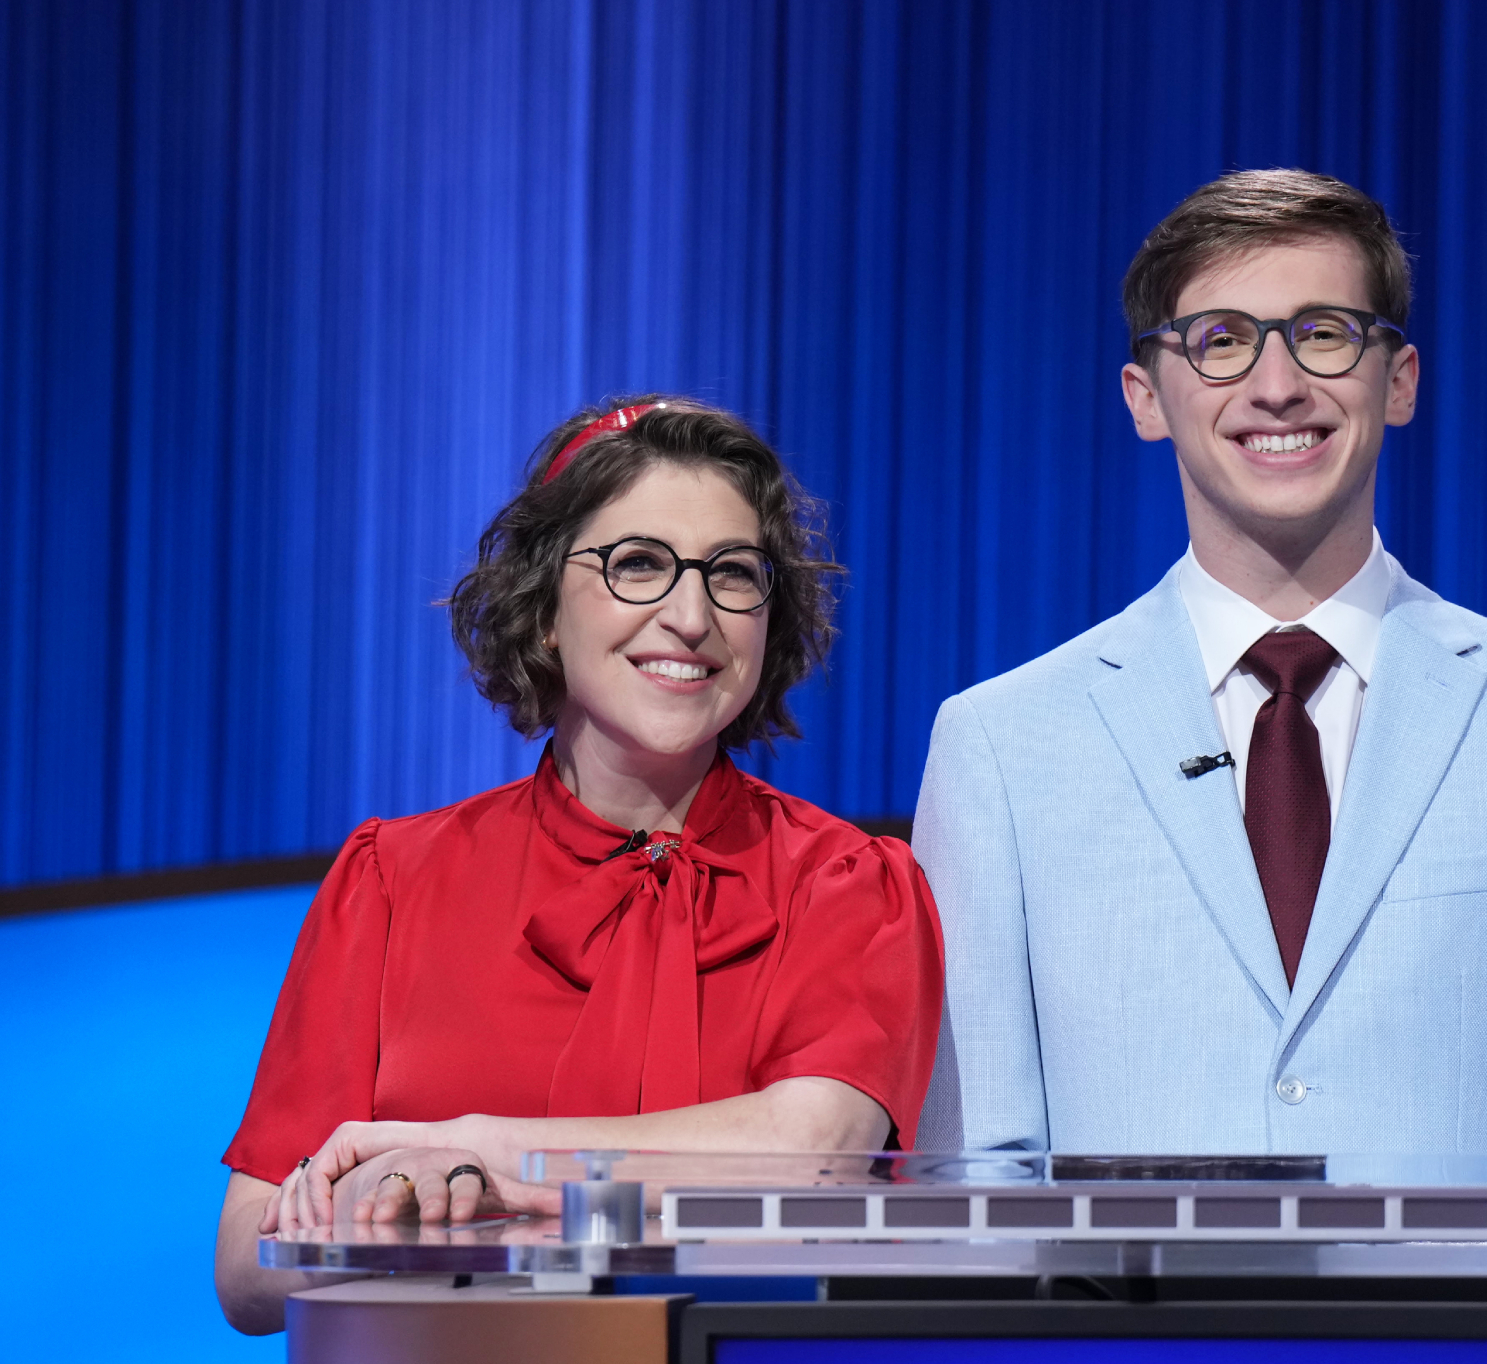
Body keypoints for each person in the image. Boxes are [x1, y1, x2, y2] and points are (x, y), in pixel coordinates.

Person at [913, 170, 1487, 1156]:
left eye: (1322, 332)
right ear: (1144, 397)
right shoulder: (1002, 743)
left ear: (1399, 379)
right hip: (1116, 1318)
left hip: (1467, 1316)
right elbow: (972, 1167)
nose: (1276, 383)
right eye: (1220, 341)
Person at [214, 397, 944, 1333]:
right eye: (638, 565)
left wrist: (476, 1156)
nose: (691, 616)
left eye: (732, 574)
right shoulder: (391, 878)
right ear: (546, 606)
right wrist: (372, 1216)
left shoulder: (851, 884)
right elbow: (245, 1268)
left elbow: (813, 1157)